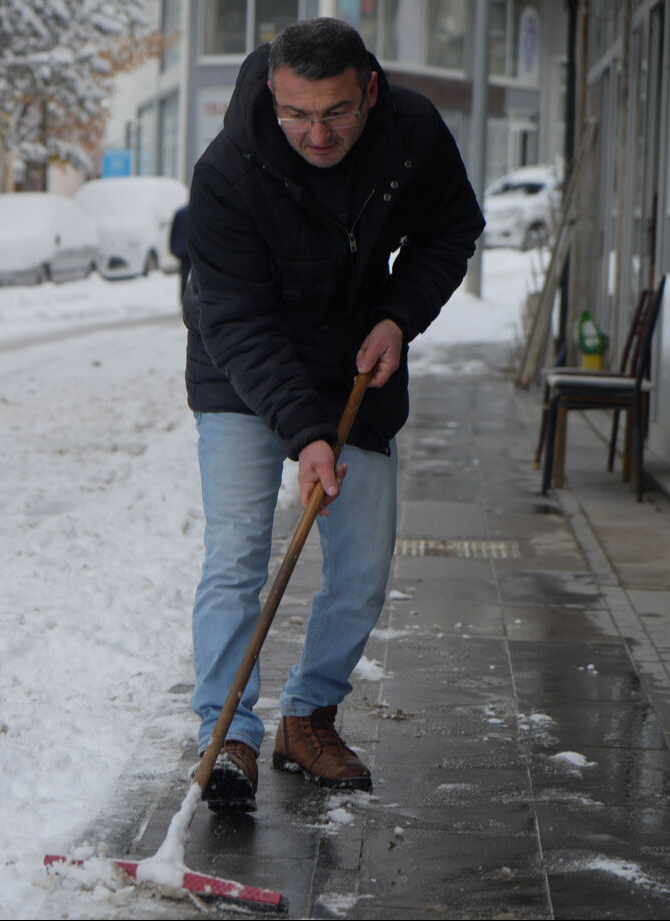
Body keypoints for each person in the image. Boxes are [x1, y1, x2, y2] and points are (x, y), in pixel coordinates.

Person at [183, 17, 483, 814]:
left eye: (338, 113)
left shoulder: (411, 131)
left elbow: (451, 230)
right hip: (244, 364)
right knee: (237, 554)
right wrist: (305, 433)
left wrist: (398, 314)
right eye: (298, 115)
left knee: (362, 563)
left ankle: (308, 717)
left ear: (369, 90)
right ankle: (230, 733)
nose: (317, 134)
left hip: (359, 353)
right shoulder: (227, 175)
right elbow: (238, 321)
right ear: (274, 96)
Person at [169, 203, 190, 304]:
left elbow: (173, 232)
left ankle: (182, 299)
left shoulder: (180, 212)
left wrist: (172, 248)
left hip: (183, 250)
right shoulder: (197, 211)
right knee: (197, 276)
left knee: (184, 276)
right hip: (193, 249)